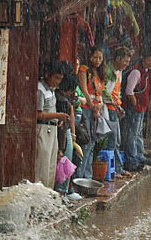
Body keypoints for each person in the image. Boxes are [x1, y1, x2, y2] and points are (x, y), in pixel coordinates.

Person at [121, 51, 151, 171]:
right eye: (149, 60)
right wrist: (135, 104)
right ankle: (132, 161)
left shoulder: (146, 72)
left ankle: (140, 157)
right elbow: (129, 91)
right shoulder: (136, 72)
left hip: (141, 109)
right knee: (131, 135)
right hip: (134, 109)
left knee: (138, 133)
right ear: (144, 59)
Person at [36, 61, 70, 189]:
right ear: (47, 75)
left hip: (52, 129)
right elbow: (38, 114)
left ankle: (47, 193)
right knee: (42, 166)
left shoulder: (52, 90)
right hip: (43, 129)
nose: (58, 82)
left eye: (60, 79)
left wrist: (57, 119)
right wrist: (57, 116)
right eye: (56, 78)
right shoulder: (40, 89)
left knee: (50, 166)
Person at [75, 46, 106, 179]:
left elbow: (100, 93)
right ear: (90, 56)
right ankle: (79, 177)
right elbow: (84, 89)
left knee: (92, 144)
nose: (97, 60)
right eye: (95, 57)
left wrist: (99, 105)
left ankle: (87, 177)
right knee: (85, 143)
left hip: (95, 109)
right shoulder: (84, 70)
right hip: (86, 109)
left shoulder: (100, 72)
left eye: (100, 58)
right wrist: (92, 105)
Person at [102, 46, 133, 178]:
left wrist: (118, 105)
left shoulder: (118, 71)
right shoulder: (108, 70)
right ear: (118, 59)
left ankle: (117, 168)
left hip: (114, 107)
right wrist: (113, 103)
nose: (127, 64)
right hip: (108, 108)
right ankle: (113, 170)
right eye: (125, 61)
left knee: (116, 139)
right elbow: (103, 90)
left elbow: (116, 91)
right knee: (113, 140)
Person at [55, 69, 82, 201]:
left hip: (67, 132)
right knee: (64, 161)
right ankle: (61, 191)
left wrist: (73, 133)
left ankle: (65, 190)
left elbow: (70, 114)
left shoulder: (64, 98)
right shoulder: (60, 98)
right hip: (62, 133)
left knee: (67, 161)